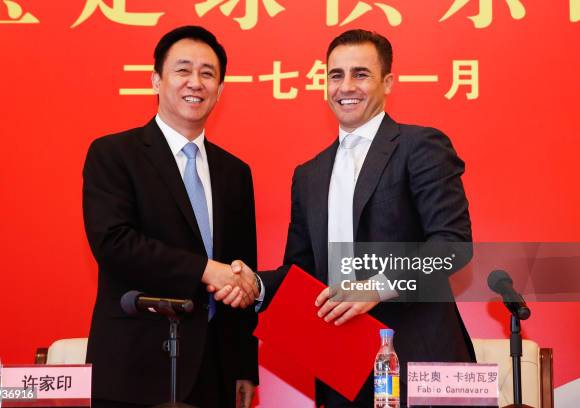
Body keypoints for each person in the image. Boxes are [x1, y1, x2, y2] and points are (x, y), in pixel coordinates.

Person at [213, 29, 476, 407]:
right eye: (336, 75)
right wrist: (254, 282)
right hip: (341, 369)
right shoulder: (309, 174)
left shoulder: (420, 147)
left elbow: (452, 246)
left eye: (361, 74)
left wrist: (375, 286)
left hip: (419, 362)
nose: (345, 86)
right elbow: (301, 274)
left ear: (387, 82)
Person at [82, 25, 259, 408]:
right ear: (156, 80)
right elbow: (114, 243)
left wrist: (244, 365)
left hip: (215, 371)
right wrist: (205, 269)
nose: (195, 82)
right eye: (182, 70)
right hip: (134, 368)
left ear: (221, 90)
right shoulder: (114, 154)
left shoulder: (235, 172)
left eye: (207, 73)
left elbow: (242, 269)